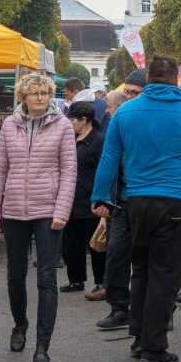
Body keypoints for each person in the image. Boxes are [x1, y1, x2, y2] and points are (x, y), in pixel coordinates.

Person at [91, 55, 181, 362]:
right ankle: (153, 347)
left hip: (136, 202)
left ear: (149, 79)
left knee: (141, 268)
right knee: (166, 273)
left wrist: (99, 195)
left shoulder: (126, 112)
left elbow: (109, 159)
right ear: (176, 80)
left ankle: (140, 336)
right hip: (176, 201)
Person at [0, 73, 77, 362]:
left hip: (48, 210)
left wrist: (62, 210)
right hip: (14, 209)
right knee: (15, 275)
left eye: (45, 93)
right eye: (34, 93)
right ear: (22, 97)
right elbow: (0, 170)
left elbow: (69, 171)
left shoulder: (62, 125)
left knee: (47, 278)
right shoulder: (9, 125)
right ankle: (20, 324)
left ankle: (42, 346)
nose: (40, 97)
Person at [95, 71, 142, 329]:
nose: (130, 97)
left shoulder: (157, 117)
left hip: (151, 200)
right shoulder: (121, 120)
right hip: (121, 202)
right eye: (128, 92)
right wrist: (102, 197)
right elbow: (108, 161)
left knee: (150, 260)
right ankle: (119, 308)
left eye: (135, 92)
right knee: (117, 256)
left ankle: (157, 312)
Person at [61, 101, 107, 295]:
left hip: (91, 200)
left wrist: (101, 197)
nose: (69, 122)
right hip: (70, 199)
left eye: (72, 119)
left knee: (96, 244)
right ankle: (76, 280)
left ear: (84, 120)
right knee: (72, 243)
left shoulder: (99, 141)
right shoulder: (70, 139)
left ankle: (101, 282)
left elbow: (105, 170)